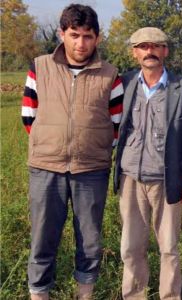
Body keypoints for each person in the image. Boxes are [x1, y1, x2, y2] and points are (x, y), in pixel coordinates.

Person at [20, 4, 123, 300]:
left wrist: (90, 147)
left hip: (91, 171)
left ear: (97, 38)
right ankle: (39, 294)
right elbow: (29, 117)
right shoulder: (39, 67)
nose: (81, 43)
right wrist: (53, 144)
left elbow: (115, 124)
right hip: (45, 168)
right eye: (74, 35)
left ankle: (84, 294)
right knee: (42, 238)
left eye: (88, 36)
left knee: (90, 240)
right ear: (61, 33)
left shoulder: (110, 75)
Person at [112, 27, 182, 300]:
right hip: (130, 179)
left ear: (165, 51)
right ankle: (134, 294)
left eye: (156, 46)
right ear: (134, 52)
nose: (149, 51)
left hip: (167, 180)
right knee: (130, 246)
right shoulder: (123, 85)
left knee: (169, 247)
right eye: (143, 46)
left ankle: (169, 295)